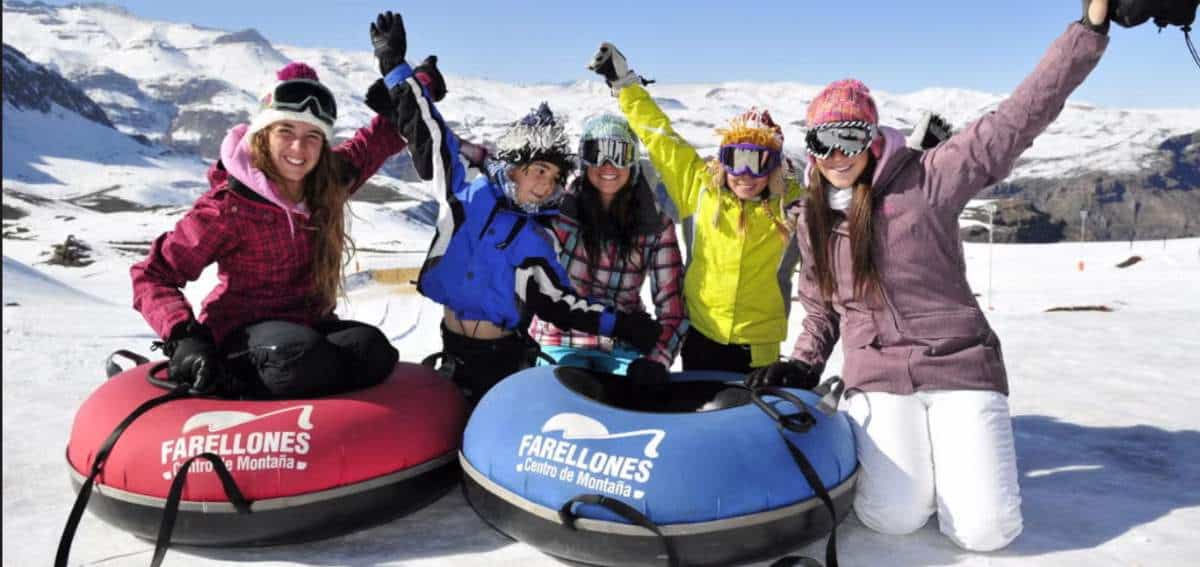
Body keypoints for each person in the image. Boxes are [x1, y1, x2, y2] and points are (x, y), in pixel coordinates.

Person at [746, 1, 1114, 551]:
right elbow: (821, 308)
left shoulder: (929, 179)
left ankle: (959, 460)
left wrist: (1089, 30)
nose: (836, 155)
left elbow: (1017, 119)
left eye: (849, 138)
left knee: (986, 531)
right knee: (893, 516)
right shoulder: (814, 218)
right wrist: (802, 364)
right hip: (876, 373)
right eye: (822, 142)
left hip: (957, 362)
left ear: (872, 139)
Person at [130, 17, 444, 398]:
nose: (300, 148)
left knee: (372, 351)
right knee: (296, 357)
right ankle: (222, 380)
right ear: (264, 132)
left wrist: (416, 83)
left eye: (313, 136)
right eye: (286, 132)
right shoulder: (230, 205)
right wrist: (183, 336)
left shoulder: (327, 181)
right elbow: (153, 273)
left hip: (308, 326)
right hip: (241, 334)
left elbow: (380, 136)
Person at [380, 27, 662, 406]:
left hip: (501, 361)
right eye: (540, 171)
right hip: (448, 349)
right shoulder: (465, 190)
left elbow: (559, 304)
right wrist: (395, 68)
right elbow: (428, 132)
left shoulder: (535, 240)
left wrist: (621, 324)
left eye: (556, 178)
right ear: (515, 166)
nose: (547, 186)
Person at [587, 46, 804, 375]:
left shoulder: (790, 204)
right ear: (722, 160)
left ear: (775, 167)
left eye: (759, 163)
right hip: (701, 339)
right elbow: (660, 137)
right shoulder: (700, 188)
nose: (745, 175)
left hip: (759, 349)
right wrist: (625, 85)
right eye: (735, 159)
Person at [529, 113, 688, 387]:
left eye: (619, 154)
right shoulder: (558, 212)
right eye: (597, 153)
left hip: (622, 344)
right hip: (560, 339)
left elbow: (673, 307)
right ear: (583, 159)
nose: (608, 165)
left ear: (634, 161)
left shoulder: (655, 225)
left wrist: (656, 360)